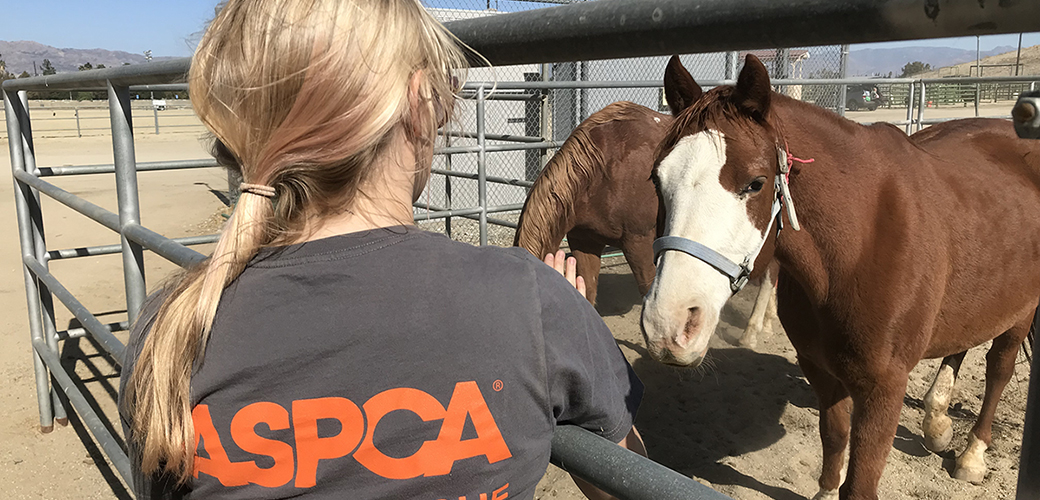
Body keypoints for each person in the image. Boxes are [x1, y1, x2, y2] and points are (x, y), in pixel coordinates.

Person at [117, 0, 645, 499]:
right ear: (418, 105)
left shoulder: (169, 333)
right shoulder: (530, 300)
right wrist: (566, 334)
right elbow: (630, 479)